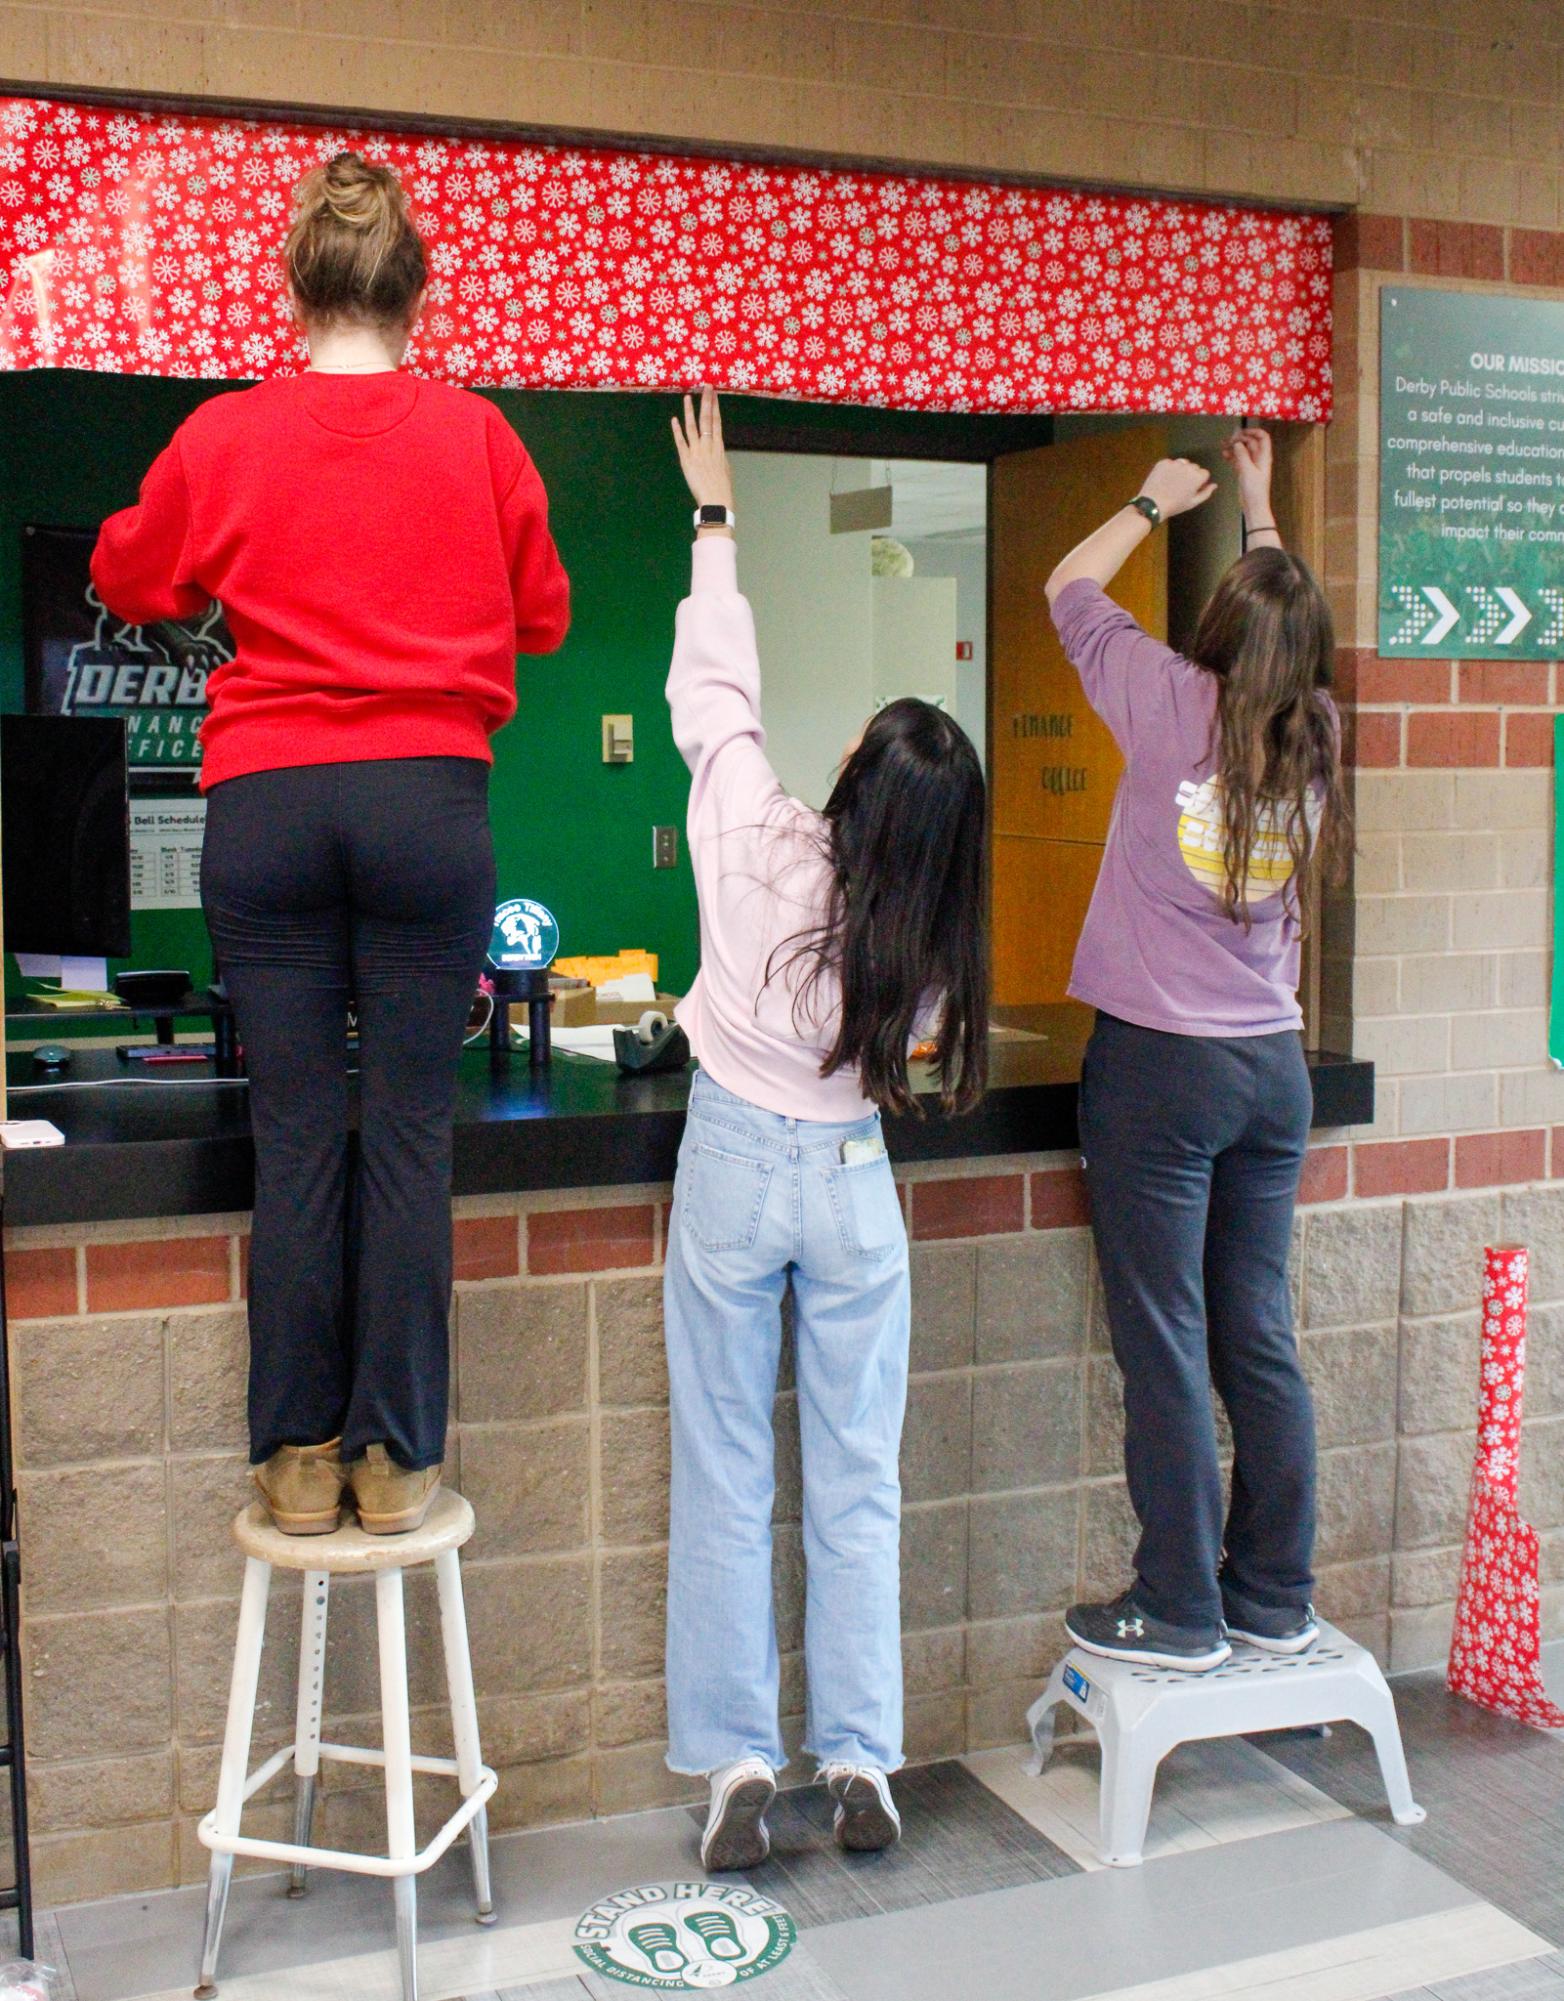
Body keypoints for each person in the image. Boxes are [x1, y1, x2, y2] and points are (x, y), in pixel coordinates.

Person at [92, 153, 569, 1537]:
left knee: (297, 1135)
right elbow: (540, 611)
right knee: (409, 1137)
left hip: (269, 803)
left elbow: (129, 572)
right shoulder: (481, 436)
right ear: (415, 290)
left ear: (294, 284)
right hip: (427, 799)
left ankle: (297, 1463)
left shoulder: (224, 436)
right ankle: (397, 1457)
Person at [663, 391, 988, 1867]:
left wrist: (715, 521)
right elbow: (911, 1051)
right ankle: (860, 1761)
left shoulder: (751, 833)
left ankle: (738, 1771)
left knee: (728, 1469)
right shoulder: (926, 946)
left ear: (851, 774)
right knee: (859, 1479)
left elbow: (715, 700)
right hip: (854, 1182)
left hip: (732, 1160)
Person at [1044, 428, 1348, 1672]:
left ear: (1218, 631)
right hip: (1269, 1074)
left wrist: (1151, 501)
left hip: (1159, 1073)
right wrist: (1265, 512)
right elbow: (1290, 636)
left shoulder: (1173, 703)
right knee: (1253, 1332)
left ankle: (1177, 1608)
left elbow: (1066, 586)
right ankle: (1271, 1594)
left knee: (1164, 1337)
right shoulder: (1317, 732)